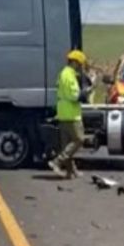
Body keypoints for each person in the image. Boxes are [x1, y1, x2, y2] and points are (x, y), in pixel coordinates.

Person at [48, 50, 88, 178]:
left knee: (67, 145)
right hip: (71, 114)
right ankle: (57, 161)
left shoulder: (63, 73)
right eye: (80, 64)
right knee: (79, 139)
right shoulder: (69, 76)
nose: (81, 67)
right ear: (75, 63)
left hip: (63, 113)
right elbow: (74, 95)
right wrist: (85, 93)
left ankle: (71, 171)